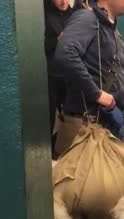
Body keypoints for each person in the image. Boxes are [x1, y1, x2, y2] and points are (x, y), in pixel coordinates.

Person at [53, 0, 124, 219]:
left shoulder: (110, 28)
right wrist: (97, 94)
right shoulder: (87, 20)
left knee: (104, 202)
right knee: (89, 205)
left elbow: (114, 75)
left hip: (107, 125)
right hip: (88, 127)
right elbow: (65, 54)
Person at [44, 0, 76, 159]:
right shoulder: (44, 14)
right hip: (51, 74)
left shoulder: (75, 14)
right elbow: (39, 44)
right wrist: (57, 40)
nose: (63, 1)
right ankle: (50, 150)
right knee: (49, 115)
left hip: (70, 73)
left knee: (72, 115)